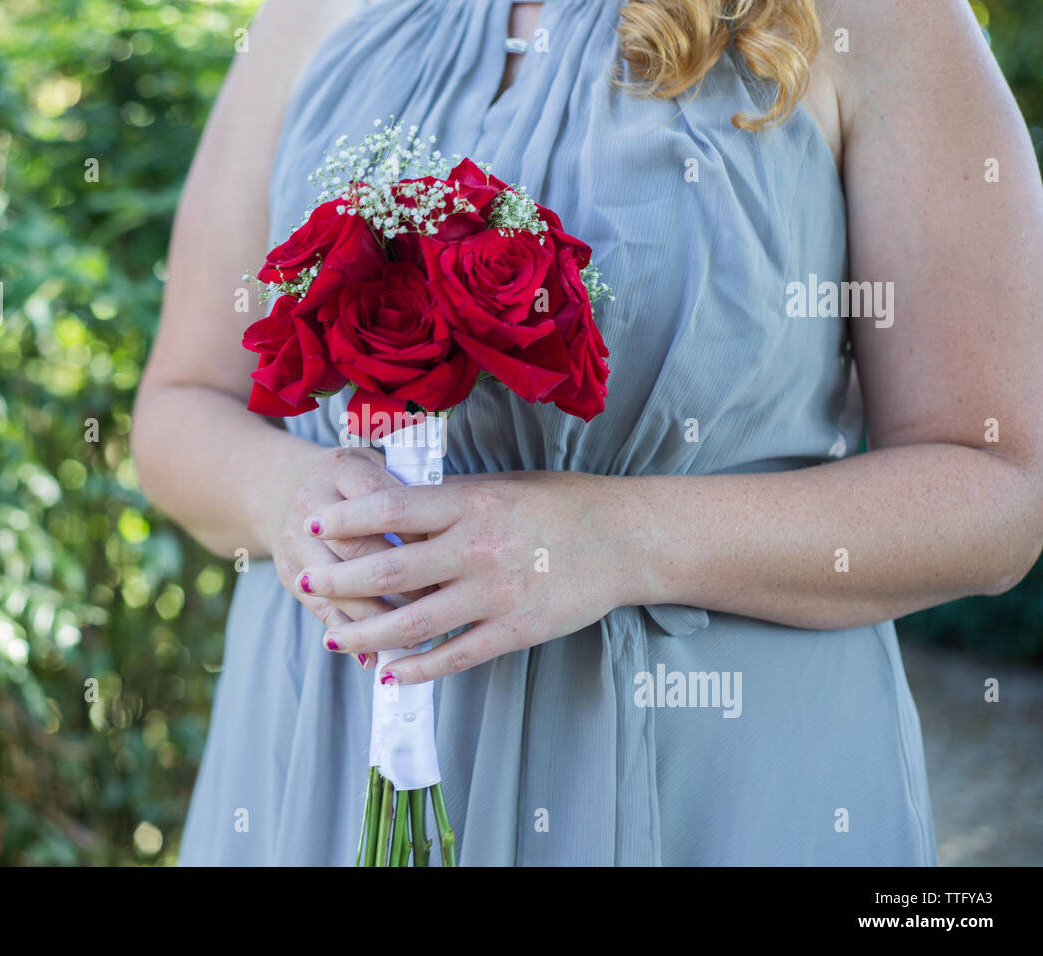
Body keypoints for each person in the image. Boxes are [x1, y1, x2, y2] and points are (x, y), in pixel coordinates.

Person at [133, 0, 1043, 865]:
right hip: (323, 754)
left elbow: (999, 485)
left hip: (706, 774)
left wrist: (620, 541)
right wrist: (291, 500)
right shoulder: (311, 14)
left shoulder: (869, 17)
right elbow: (180, 405)